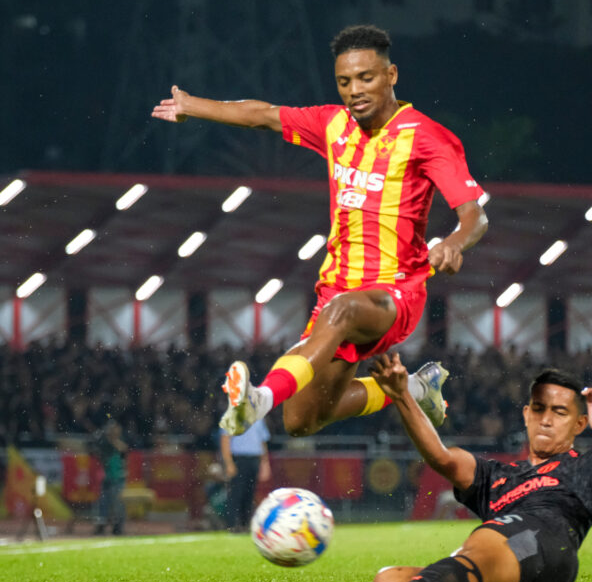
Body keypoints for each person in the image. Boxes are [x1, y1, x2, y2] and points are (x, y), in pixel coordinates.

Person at [151, 24, 488, 439]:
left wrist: (454, 242)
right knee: (301, 421)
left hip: (394, 293)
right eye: (344, 82)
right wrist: (191, 105)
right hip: (335, 292)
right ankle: (417, 387)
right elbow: (264, 116)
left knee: (342, 311)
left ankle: (258, 399)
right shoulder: (333, 125)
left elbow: (475, 216)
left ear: (391, 75)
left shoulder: (427, 137)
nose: (355, 90)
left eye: (366, 78)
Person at [325, 354, 592, 582]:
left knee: (487, 535)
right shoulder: (496, 474)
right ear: (526, 414)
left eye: (559, 412)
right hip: (501, 567)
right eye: (539, 409)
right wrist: (402, 396)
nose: (546, 420)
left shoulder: (581, 465)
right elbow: (441, 457)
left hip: (547, 552)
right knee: (389, 579)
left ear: (579, 424)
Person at [220, 419, 273, 532]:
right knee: (236, 493)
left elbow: (262, 442)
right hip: (239, 458)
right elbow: (225, 439)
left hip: (254, 458)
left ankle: (245, 524)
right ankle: (232, 525)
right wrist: (229, 463)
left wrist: (265, 462)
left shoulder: (258, 418)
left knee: (250, 493)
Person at [91, 420, 128, 535]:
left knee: (118, 504)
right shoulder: (104, 443)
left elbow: (124, 449)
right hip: (107, 478)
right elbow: (97, 451)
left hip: (118, 478)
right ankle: (101, 525)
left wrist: (113, 439)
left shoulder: (120, 442)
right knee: (103, 504)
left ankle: (118, 527)